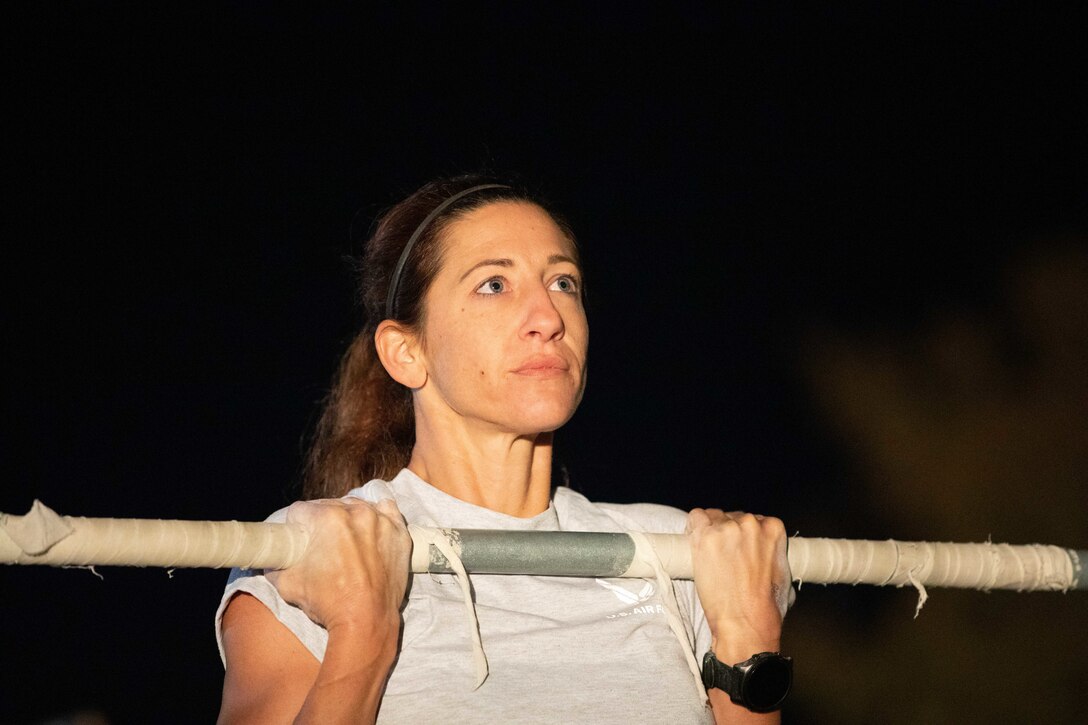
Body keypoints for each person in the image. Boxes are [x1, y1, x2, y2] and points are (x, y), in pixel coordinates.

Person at [215, 176, 791, 724]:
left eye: (563, 283)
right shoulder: (311, 553)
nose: (548, 318)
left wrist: (748, 638)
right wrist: (363, 630)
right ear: (405, 353)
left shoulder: (678, 555)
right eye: (494, 284)